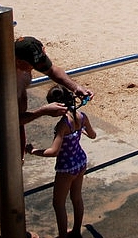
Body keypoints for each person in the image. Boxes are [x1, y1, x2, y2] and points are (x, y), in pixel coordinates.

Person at [0, 36, 92, 238]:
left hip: (16, 125)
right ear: (18, 61)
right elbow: (7, 120)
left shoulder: (27, 59)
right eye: (31, 65)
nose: (35, 69)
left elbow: (53, 71)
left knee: (13, 177)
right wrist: (42, 111)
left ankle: (15, 231)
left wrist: (75, 87)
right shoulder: (3, 79)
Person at [26, 85, 97, 238]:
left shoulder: (62, 125)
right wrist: (81, 131)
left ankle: (63, 236)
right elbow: (93, 135)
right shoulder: (81, 116)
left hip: (66, 167)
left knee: (58, 203)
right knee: (76, 198)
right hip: (80, 161)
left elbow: (54, 151)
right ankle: (77, 231)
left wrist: (33, 151)